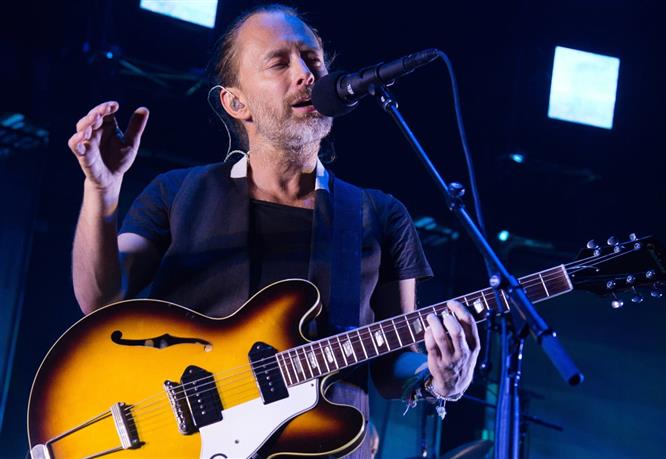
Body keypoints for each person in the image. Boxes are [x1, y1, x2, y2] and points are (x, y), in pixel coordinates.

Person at [67, 4, 480, 457]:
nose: (306, 75)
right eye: (279, 63)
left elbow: (390, 363)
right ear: (236, 102)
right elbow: (101, 300)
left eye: (312, 59)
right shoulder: (178, 192)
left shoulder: (380, 214)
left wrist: (440, 380)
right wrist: (100, 191)